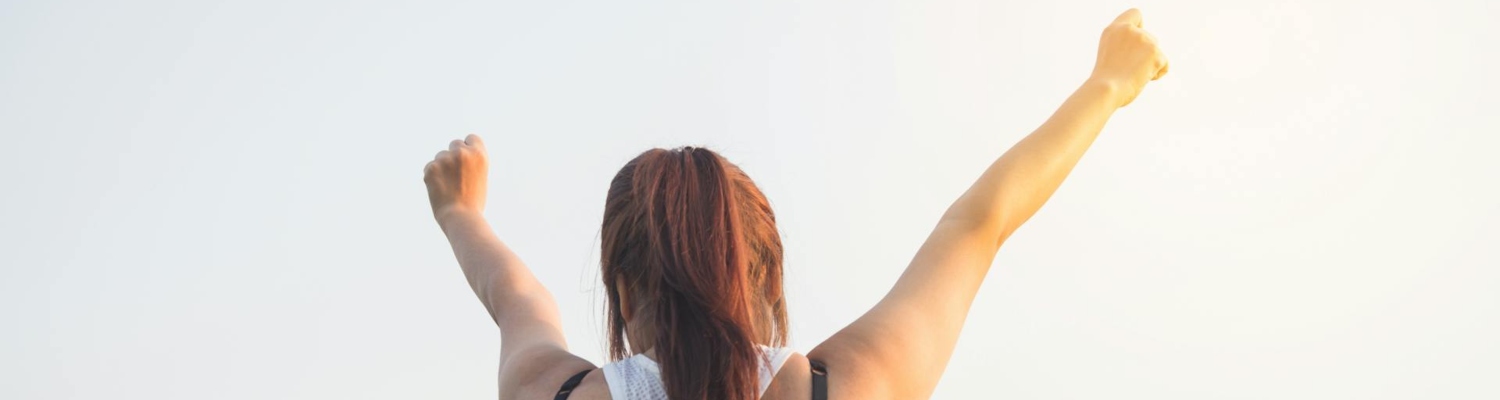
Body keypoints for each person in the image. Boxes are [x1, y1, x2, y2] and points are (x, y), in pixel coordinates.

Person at [422, 8, 1168, 400]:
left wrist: (463, 212)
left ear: (622, 285)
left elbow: (514, 295)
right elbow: (977, 226)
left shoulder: (552, 394)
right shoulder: (840, 388)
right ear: (764, 278)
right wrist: (1108, 85)